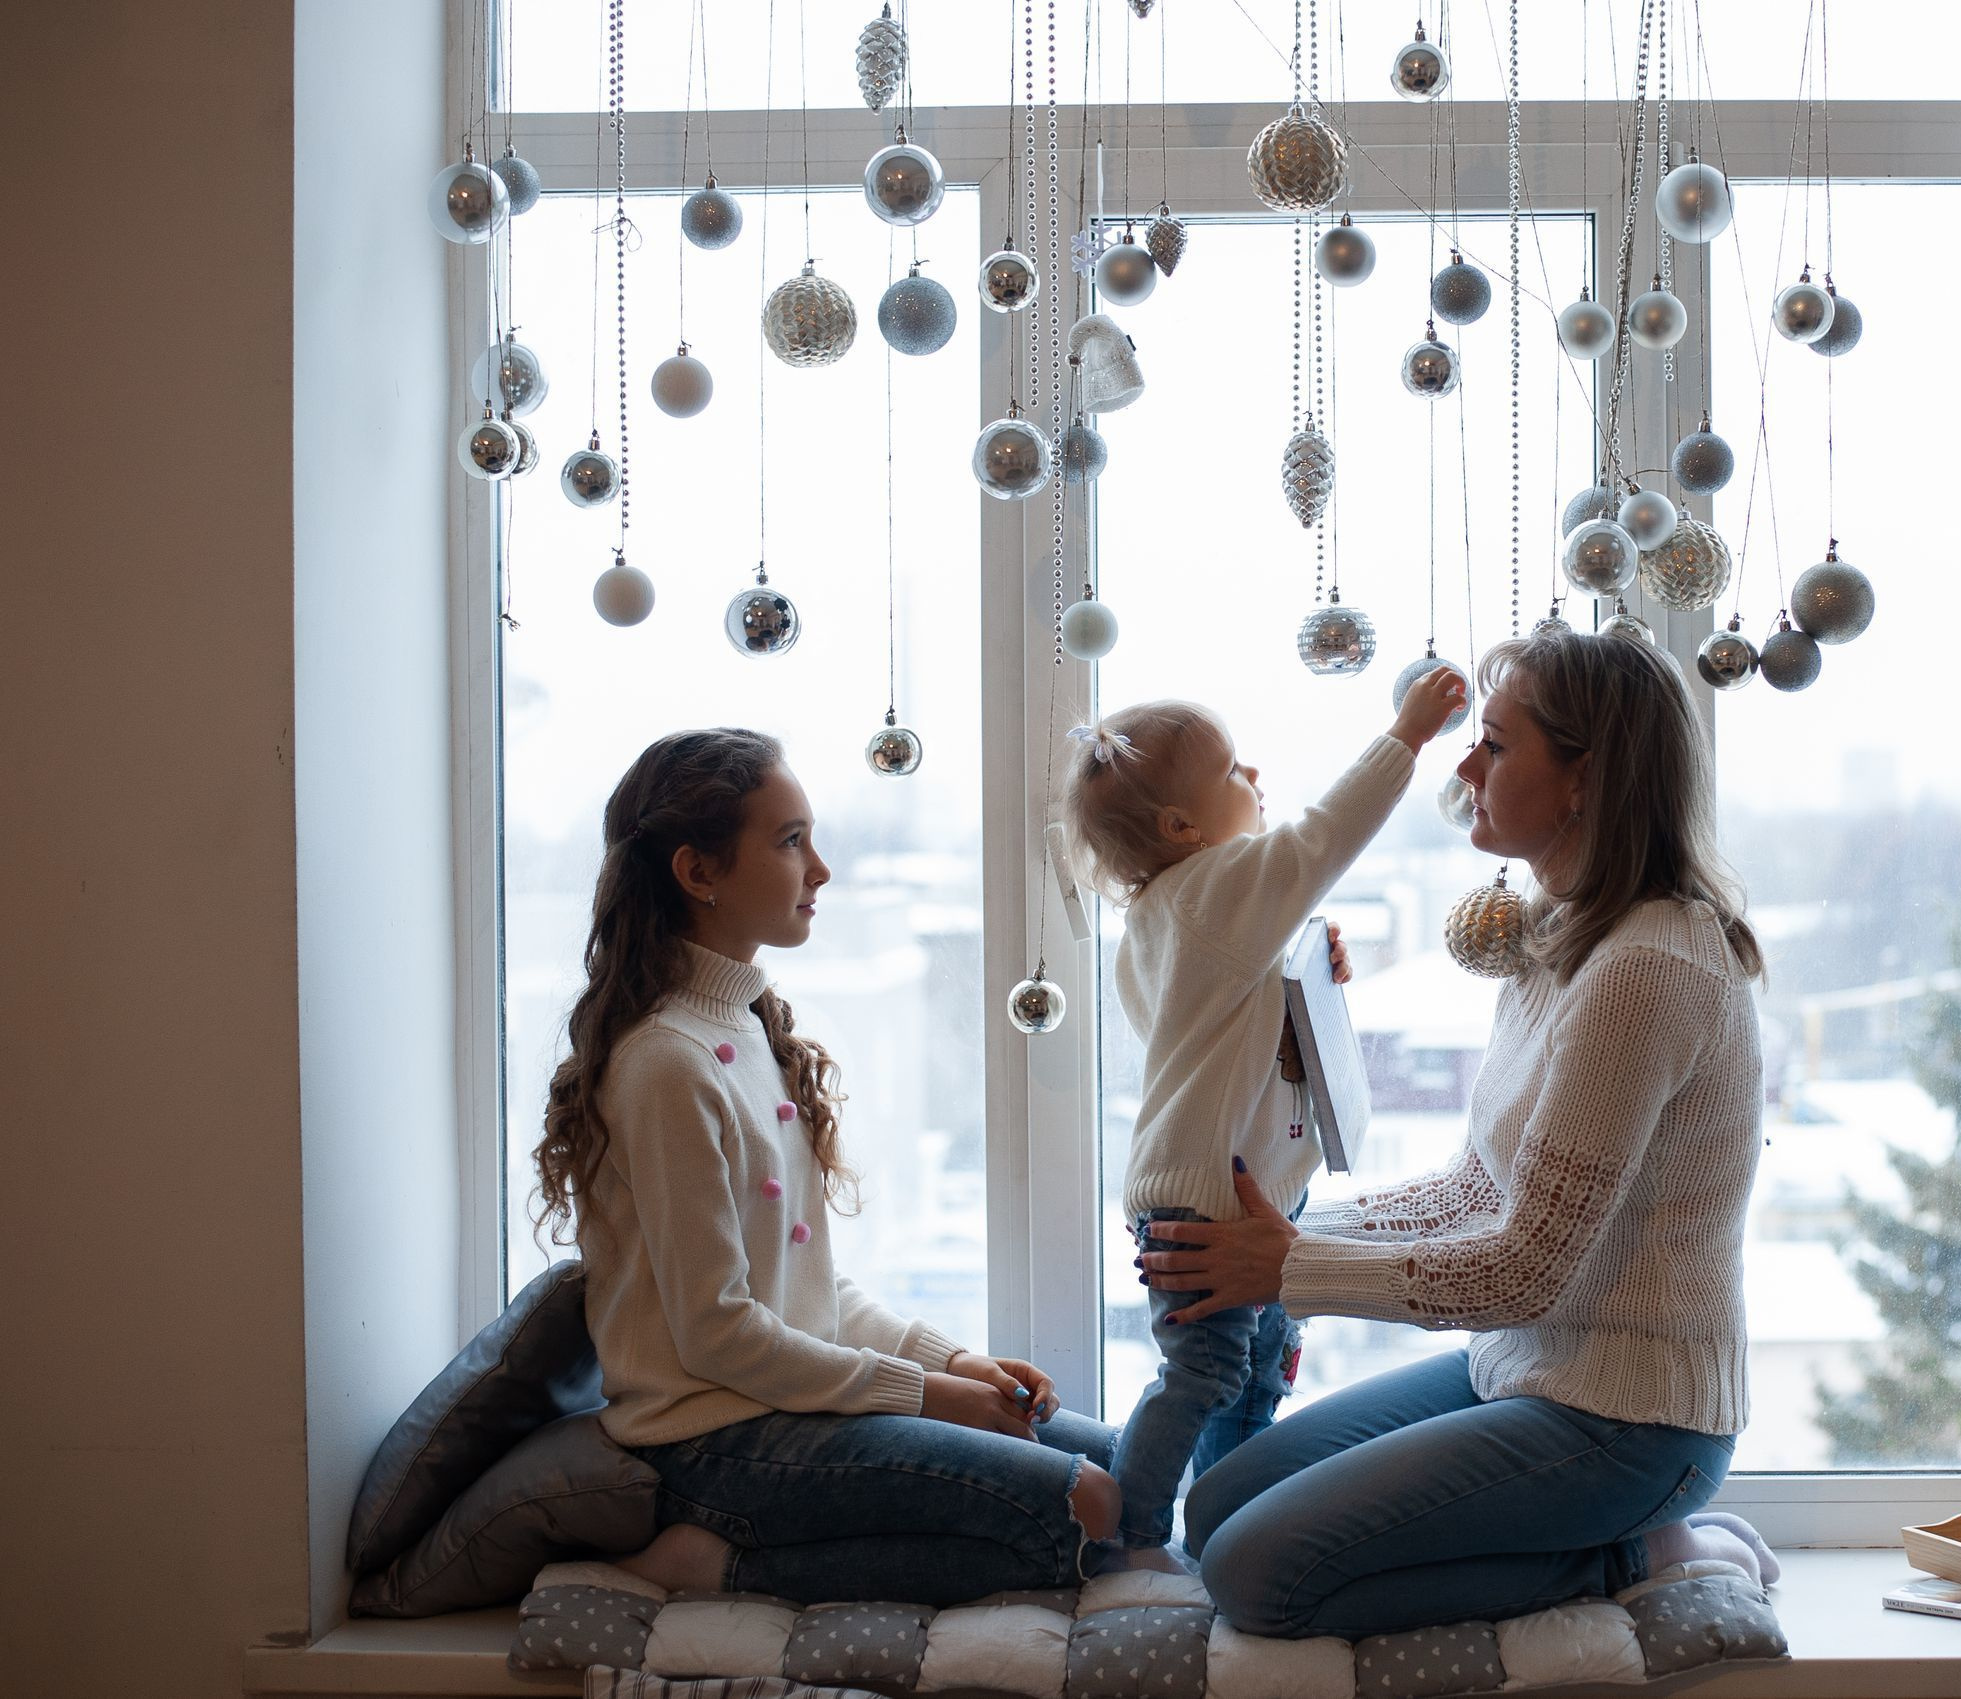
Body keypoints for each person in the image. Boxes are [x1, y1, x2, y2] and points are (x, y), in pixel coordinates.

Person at [1136, 630, 1767, 1638]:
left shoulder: (1645, 970)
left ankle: (1630, 1554)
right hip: (1521, 1369)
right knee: (1212, 1515)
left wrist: (1294, 1270)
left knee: (1257, 1577)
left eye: (1495, 745)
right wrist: (1281, 1241)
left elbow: (1526, 1271)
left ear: (1582, 781)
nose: (1465, 768)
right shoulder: (1559, 936)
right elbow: (1477, 1191)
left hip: (1629, 1424)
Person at [532, 728, 1122, 1604]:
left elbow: (814, 1294)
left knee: (1125, 1468)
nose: (821, 868)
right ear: (699, 872)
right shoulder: (665, 1061)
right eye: (789, 840)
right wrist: (928, 1398)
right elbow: (720, 1331)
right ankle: (717, 1562)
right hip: (711, 1441)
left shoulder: (741, 1024)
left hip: (780, 1404)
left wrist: (955, 1362)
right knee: (1089, 1506)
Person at [1060, 670, 1470, 1567]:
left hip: (1217, 1198)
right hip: (1209, 1201)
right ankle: (1127, 1534)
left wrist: (1301, 971)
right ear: (1182, 828)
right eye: (1234, 769)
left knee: (1249, 1372)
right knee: (1206, 1373)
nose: (1257, 773)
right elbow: (1324, 839)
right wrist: (1406, 733)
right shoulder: (1218, 888)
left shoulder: (1164, 916)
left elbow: (1212, 1036)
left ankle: (1227, 1519)